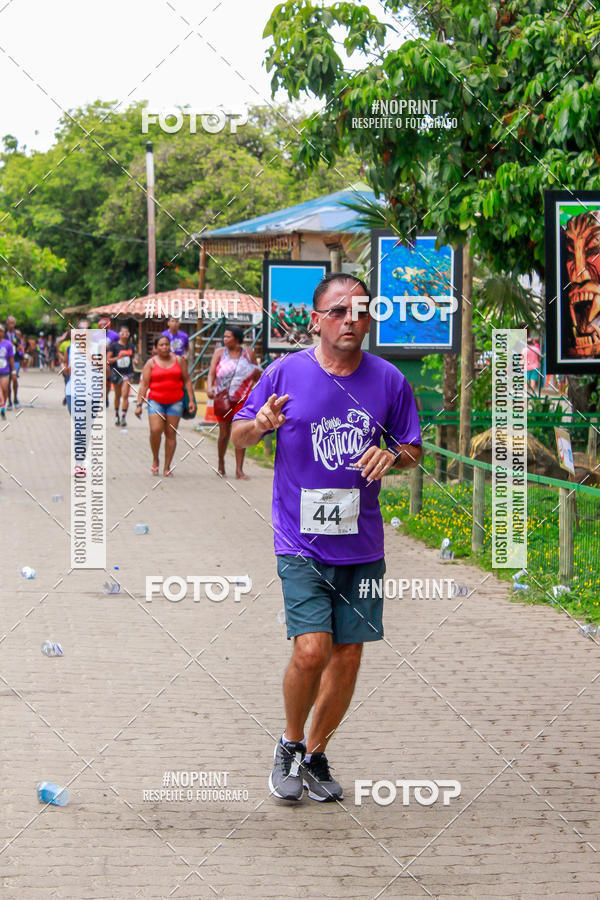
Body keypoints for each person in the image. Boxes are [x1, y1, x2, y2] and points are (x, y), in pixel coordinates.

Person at [232, 273, 423, 803]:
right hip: (300, 541)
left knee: (348, 656)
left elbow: (412, 448)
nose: (349, 321)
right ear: (316, 319)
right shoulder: (284, 372)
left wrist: (394, 456)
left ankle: (315, 754)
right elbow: (238, 433)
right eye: (337, 311)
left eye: (359, 311)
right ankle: (290, 745)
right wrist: (262, 423)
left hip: (362, 546)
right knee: (313, 651)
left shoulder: (389, 381)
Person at [135, 334, 195, 476]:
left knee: (171, 434)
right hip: (156, 401)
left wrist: (191, 400)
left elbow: (187, 380)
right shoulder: (151, 363)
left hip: (176, 402)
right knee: (155, 430)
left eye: (167, 344)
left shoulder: (179, 361)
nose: (164, 347)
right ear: (156, 348)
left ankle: (167, 466)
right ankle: (155, 459)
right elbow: (144, 385)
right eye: (161, 345)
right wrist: (139, 404)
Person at [207, 325, 260, 479]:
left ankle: (239, 470)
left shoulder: (248, 354)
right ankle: (221, 465)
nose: (225, 339)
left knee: (241, 433)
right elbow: (211, 373)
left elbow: (256, 374)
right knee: (224, 434)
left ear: (237, 338)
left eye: (228, 336)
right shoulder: (219, 353)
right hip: (222, 398)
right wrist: (210, 387)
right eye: (224, 337)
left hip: (243, 399)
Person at [107, 325, 136, 427]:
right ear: (119, 334)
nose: (125, 335)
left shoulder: (131, 346)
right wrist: (118, 357)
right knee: (117, 395)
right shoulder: (114, 346)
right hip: (116, 373)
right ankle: (116, 415)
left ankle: (123, 416)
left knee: (125, 395)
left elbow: (133, 358)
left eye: (127, 333)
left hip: (128, 373)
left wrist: (134, 361)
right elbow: (108, 360)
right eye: (123, 333)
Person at [5, 316, 22, 408]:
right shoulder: (3, 334)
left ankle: (15, 398)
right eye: (10, 322)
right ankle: (9, 400)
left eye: (13, 323)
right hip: (6, 359)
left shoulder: (17, 333)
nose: (11, 325)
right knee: (7, 381)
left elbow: (20, 344)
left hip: (15, 359)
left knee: (14, 378)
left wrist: (20, 348)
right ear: (7, 323)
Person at [0, 323, 15, 419]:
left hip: (5, 370)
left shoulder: (8, 344)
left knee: (5, 389)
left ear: (3, 332)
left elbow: (11, 359)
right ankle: (2, 406)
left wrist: (13, 371)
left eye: (1, 331)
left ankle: (3, 406)